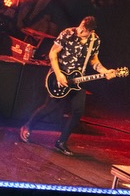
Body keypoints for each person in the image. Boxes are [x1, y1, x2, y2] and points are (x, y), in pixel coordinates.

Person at [18, 15, 116, 157]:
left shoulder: (95, 40)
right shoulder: (67, 33)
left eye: (84, 31)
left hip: (77, 80)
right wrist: (58, 74)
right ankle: (28, 126)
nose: (80, 31)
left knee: (78, 111)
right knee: (50, 108)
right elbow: (53, 53)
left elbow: (94, 61)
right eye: (81, 27)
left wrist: (105, 71)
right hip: (59, 77)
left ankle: (61, 142)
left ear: (91, 31)